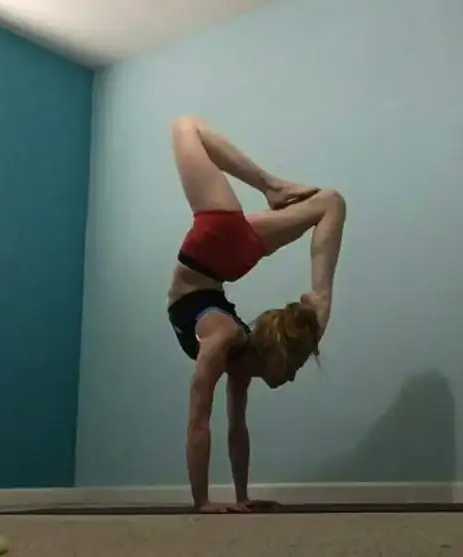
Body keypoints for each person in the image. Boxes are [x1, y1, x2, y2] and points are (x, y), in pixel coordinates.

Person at [165, 115, 346, 514]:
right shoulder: (225, 341)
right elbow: (200, 421)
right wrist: (203, 503)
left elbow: (233, 429)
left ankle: (275, 191)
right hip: (216, 249)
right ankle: (273, 190)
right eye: (295, 368)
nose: (292, 376)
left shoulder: (237, 353)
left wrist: (241, 498)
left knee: (330, 203)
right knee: (184, 126)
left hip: (222, 257)